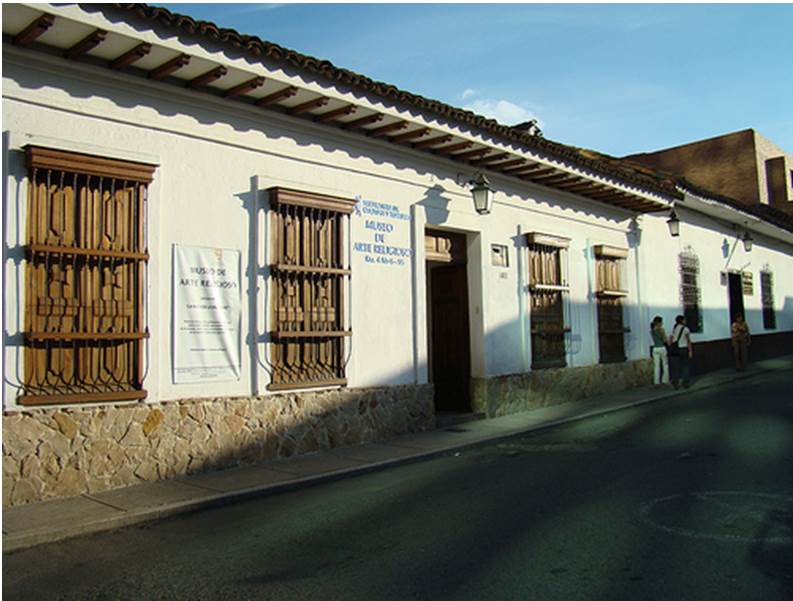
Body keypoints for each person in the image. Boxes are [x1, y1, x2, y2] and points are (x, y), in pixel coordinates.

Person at [669, 315, 693, 389]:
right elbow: (688, 340)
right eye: (684, 320)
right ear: (682, 321)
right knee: (685, 366)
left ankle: (676, 383)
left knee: (675, 367)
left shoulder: (674, 328)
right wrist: (690, 350)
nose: (685, 321)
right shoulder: (686, 329)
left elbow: (671, 339)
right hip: (683, 348)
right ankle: (685, 383)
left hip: (675, 349)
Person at [650, 316, 670, 386]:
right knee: (665, 365)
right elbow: (664, 340)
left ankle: (656, 382)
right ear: (659, 322)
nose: (662, 323)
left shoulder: (652, 330)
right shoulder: (661, 330)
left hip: (655, 348)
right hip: (662, 348)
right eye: (661, 322)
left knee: (656, 366)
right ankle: (665, 380)